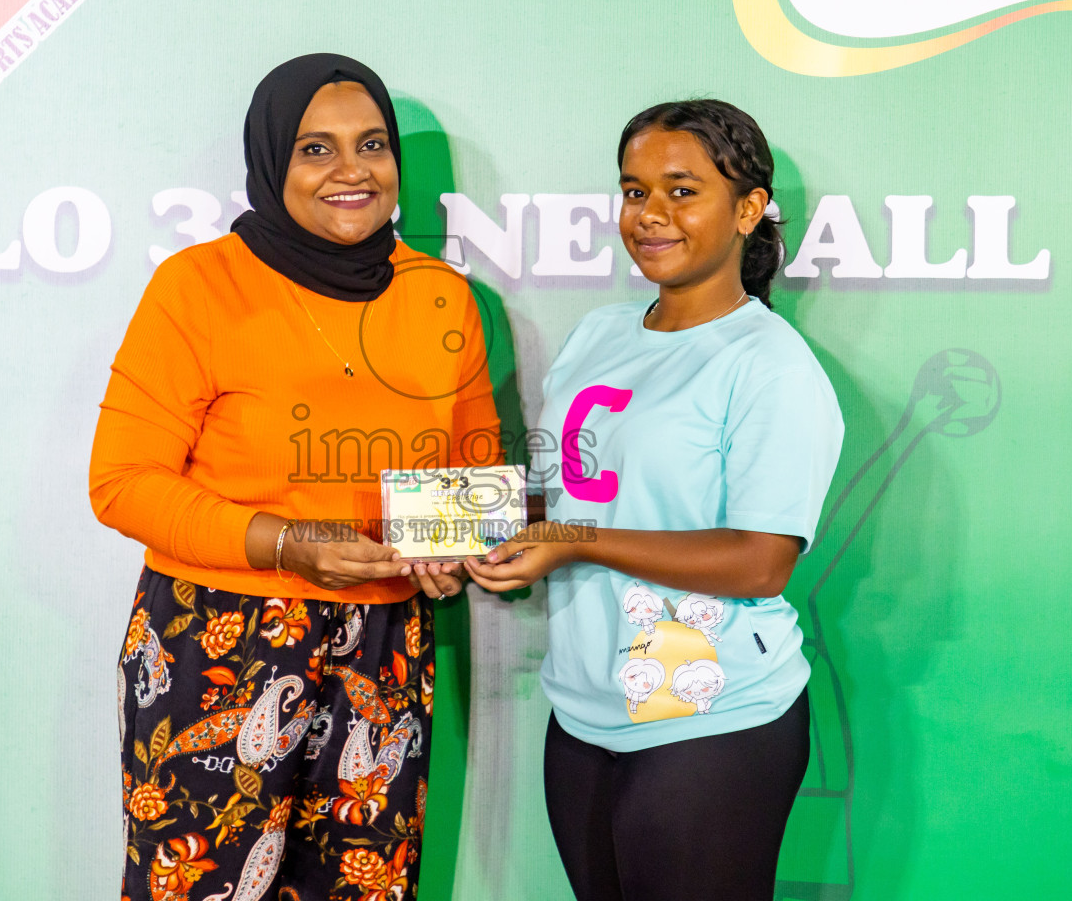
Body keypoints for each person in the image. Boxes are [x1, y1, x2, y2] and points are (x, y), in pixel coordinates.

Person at [89, 53, 500, 901]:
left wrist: (448, 554)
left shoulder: (442, 298)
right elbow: (123, 481)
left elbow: (469, 473)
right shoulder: (197, 287)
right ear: (273, 163)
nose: (352, 170)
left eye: (373, 144)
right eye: (316, 149)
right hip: (221, 643)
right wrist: (284, 541)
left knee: (364, 888)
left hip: (385, 651)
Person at [466, 99, 843, 901]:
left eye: (682, 190)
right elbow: (567, 500)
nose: (651, 215)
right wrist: (466, 533)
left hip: (712, 720)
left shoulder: (770, 364)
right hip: (583, 712)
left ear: (747, 210)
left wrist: (574, 541)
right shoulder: (600, 333)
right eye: (635, 191)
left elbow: (760, 561)